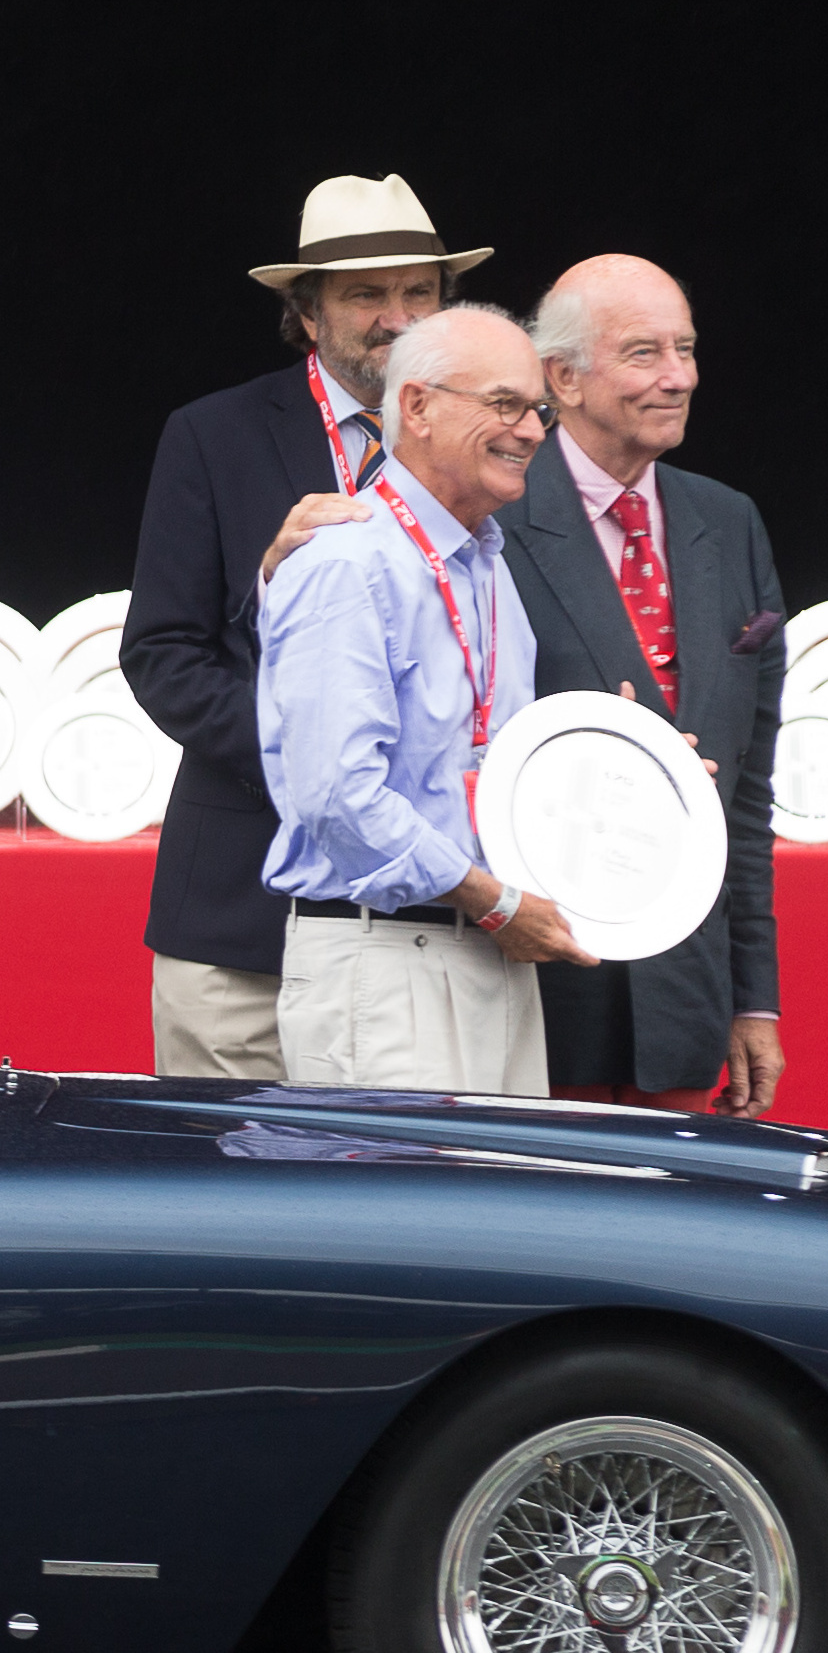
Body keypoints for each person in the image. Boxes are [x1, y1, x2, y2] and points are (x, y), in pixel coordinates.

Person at [126, 174, 488, 1077]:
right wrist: (319, 757)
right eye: (367, 294)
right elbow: (163, 656)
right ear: (308, 312)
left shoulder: (494, 442)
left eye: (419, 292)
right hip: (240, 930)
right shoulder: (214, 436)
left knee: (397, 1208)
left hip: (429, 930)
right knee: (234, 1210)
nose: (398, 318)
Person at [256, 303, 597, 1092]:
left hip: (484, 949)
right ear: (417, 407)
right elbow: (340, 798)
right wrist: (498, 905)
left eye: (540, 410)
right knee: (403, 1218)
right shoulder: (347, 562)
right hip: (386, 963)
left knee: (499, 1216)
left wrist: (615, 770)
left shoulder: (487, 565)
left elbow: (491, 767)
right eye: (505, 404)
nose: (533, 430)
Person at [516, 255, 789, 1115]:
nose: (679, 377)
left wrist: (752, 997)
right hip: (537, 1000)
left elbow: (747, 797)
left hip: (683, 1008)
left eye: (687, 348)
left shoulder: (729, 521)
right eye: (644, 353)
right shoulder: (492, 513)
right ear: (562, 377)